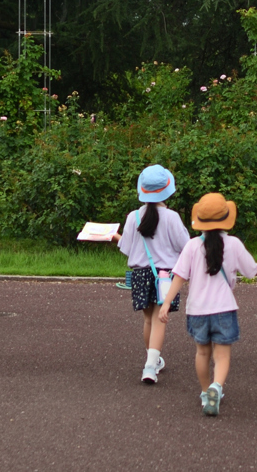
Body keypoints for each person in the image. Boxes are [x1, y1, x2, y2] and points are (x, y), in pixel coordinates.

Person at [159, 193, 257, 416]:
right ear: (226, 219)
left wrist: (166, 303)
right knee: (221, 356)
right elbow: (252, 270)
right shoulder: (233, 244)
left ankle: (206, 393)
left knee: (202, 353)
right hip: (224, 308)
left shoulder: (193, 246)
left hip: (197, 310)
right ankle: (217, 386)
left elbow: (179, 276)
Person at [114, 164, 190, 383]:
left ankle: (153, 360)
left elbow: (127, 248)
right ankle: (150, 366)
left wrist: (114, 237)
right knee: (160, 320)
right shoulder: (172, 217)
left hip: (140, 275)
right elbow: (185, 247)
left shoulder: (134, 217)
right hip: (165, 276)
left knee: (148, 320)